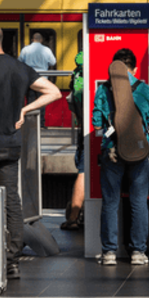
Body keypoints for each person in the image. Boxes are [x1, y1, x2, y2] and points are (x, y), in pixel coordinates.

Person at [0, 22, 62, 279]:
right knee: (11, 202)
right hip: (11, 145)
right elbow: (54, 91)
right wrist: (26, 110)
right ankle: (12, 260)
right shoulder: (20, 68)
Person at [91, 49, 149, 266]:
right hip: (138, 151)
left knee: (111, 202)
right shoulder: (144, 89)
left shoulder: (103, 89)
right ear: (135, 68)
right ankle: (138, 252)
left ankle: (109, 253)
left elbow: (97, 125)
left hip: (112, 151)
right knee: (139, 202)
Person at [62, 50, 85, 231]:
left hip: (83, 128)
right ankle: (74, 217)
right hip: (94, 130)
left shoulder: (77, 74)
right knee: (84, 173)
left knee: (82, 170)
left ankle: (74, 216)